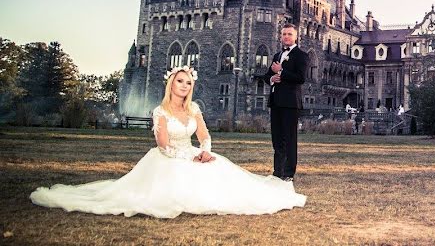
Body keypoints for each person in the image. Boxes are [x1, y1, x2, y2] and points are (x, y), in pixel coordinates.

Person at [29, 68, 306, 218]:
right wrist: (186, 158)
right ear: (171, 84)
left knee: (221, 174)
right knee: (175, 182)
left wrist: (206, 152)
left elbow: (204, 135)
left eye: (188, 83)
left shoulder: (194, 108)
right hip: (168, 159)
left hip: (193, 153)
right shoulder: (160, 112)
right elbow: (163, 145)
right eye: (180, 81)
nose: (184, 86)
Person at [263, 24, 308, 182]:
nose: (286, 36)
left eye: (289, 34)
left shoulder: (301, 55)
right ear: (280, 36)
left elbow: (301, 78)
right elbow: (267, 76)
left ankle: (288, 173)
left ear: (295, 36)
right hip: (275, 102)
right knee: (277, 138)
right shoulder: (277, 55)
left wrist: (282, 70)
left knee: (289, 138)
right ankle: (278, 171)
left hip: (290, 103)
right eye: (284, 34)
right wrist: (271, 79)